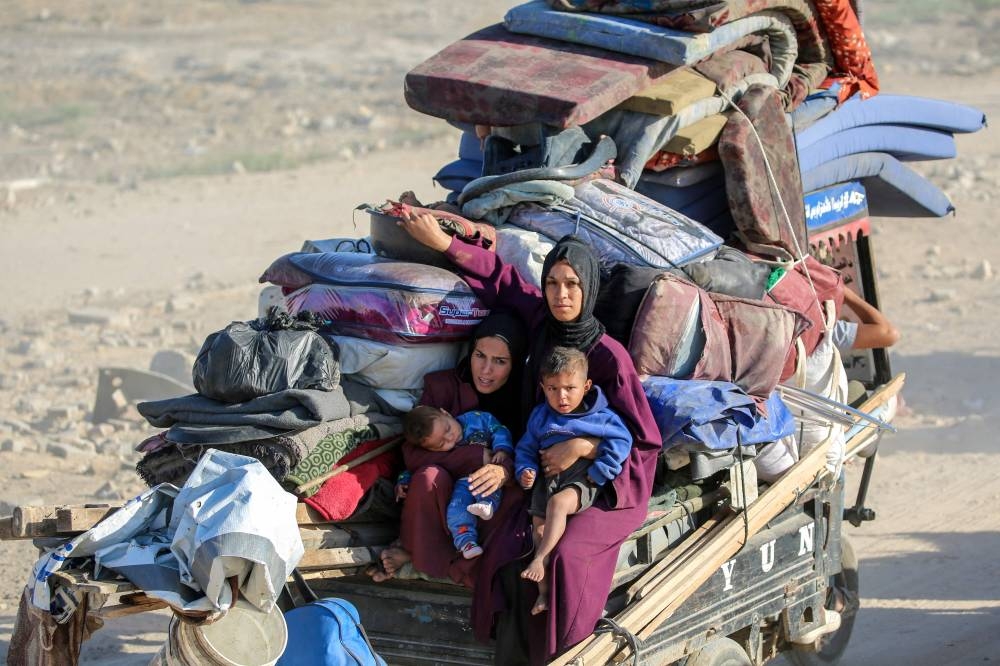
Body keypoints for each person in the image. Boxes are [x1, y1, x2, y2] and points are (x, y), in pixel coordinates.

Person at [397, 210, 662, 663]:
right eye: (554, 282)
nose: (561, 294)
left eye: (573, 285)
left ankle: (563, 655)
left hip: (604, 485)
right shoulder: (540, 324)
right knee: (507, 556)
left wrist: (584, 445)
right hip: (540, 474)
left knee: (565, 560)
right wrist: (444, 244)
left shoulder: (607, 358)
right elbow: (502, 280)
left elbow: (643, 441)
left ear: (589, 289)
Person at [369, 311, 529, 587]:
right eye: (480, 356)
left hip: (486, 495)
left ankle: (462, 562)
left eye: (500, 361)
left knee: (515, 497)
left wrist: (502, 472)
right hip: (442, 492)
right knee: (427, 477)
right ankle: (418, 552)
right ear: (470, 352)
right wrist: (474, 457)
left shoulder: (522, 400)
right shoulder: (441, 386)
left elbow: (529, 451)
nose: (486, 370)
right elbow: (413, 452)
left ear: (514, 363)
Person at [515, 346, 632, 616]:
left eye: (570, 387)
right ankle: (543, 593)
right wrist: (525, 470)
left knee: (558, 504)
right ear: (543, 387)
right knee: (539, 532)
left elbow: (622, 442)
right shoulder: (541, 417)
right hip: (547, 481)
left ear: (586, 385)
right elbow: (526, 448)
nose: (562, 396)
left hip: (581, 480)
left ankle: (541, 559)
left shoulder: (601, 417)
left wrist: (600, 472)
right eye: (553, 389)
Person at [401, 406, 514, 560]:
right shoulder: (434, 451)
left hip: (487, 471)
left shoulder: (477, 419)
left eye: (448, 429)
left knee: (488, 484)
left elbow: (499, 430)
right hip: (462, 483)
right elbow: (413, 467)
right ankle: (466, 542)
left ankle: (487, 504)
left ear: (446, 413)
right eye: (441, 445)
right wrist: (403, 481)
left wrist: (502, 449)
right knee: (455, 510)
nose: (450, 438)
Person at [833, 287, 901, 352]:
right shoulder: (828, 331)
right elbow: (888, 334)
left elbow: (888, 333)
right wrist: (843, 291)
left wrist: (843, 291)